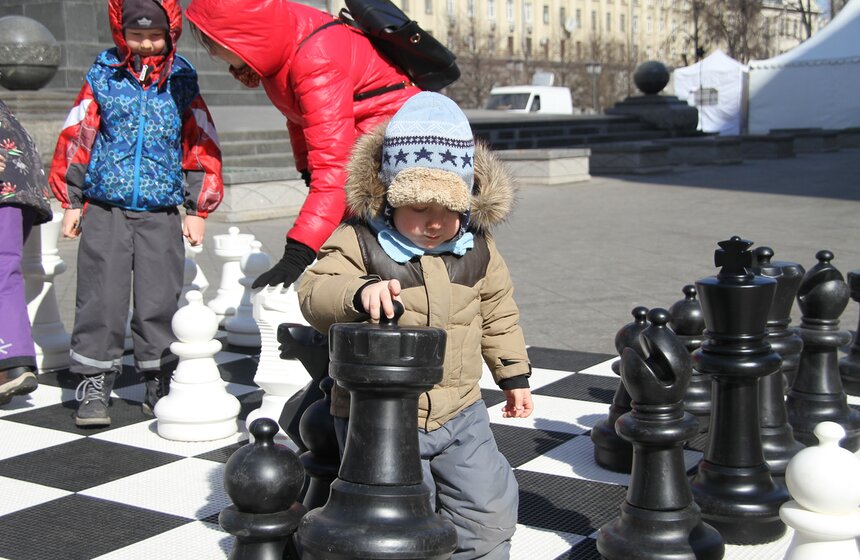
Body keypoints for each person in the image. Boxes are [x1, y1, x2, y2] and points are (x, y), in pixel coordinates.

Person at [297, 92, 534, 560]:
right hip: (379, 419)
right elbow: (313, 291)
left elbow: (498, 313)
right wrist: (359, 292)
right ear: (388, 197)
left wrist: (514, 376)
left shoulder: (478, 249)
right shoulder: (359, 241)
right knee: (404, 522)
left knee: (489, 507)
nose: (434, 223)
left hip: (462, 410)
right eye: (418, 208)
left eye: (447, 210)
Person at [49, 0, 223, 427]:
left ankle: (158, 377)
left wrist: (197, 207)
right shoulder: (102, 76)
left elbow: (200, 145)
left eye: (154, 35)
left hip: (160, 210)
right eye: (136, 34)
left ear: (170, 33)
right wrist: (71, 201)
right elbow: (78, 135)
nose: (146, 43)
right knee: (100, 297)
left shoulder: (182, 80)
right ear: (120, 33)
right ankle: (94, 380)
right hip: (105, 206)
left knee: (158, 298)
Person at [184, 0, 421, 291]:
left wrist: (298, 251)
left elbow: (336, 169)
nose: (212, 52)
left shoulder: (315, 59)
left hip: (391, 144)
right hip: (364, 133)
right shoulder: (282, 42)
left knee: (374, 246)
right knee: (350, 241)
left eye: (213, 43)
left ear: (239, 37)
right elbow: (298, 115)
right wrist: (306, 167)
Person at [0, 100, 54, 406]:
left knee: (2, 272)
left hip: (7, 188)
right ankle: (10, 365)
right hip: (19, 189)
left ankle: (12, 365)